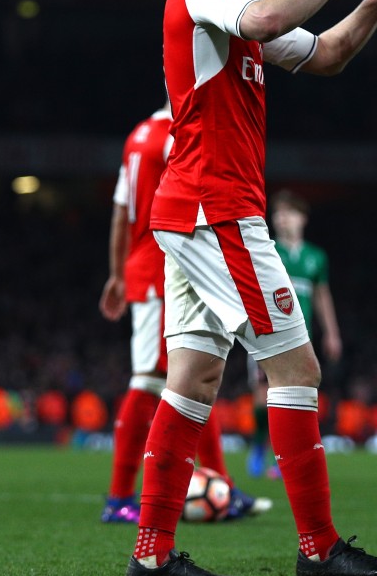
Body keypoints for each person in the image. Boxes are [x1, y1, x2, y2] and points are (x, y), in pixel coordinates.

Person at [127, 0, 377, 576]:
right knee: (298, 368)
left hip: (191, 211)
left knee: (192, 377)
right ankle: (318, 548)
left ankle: (152, 551)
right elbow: (271, 16)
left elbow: (328, 53)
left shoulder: (230, 3)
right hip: (214, 209)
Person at [98, 102, 271, 524]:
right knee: (154, 380)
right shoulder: (179, 134)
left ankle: (221, 485)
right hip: (166, 266)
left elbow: (122, 212)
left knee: (191, 376)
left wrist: (118, 274)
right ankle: (119, 497)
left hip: (146, 267)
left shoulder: (138, 135)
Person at [246, 189, 343, 480]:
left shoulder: (316, 258)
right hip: (267, 333)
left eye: (289, 213)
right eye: (278, 213)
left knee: (295, 398)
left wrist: (332, 334)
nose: (282, 219)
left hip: (303, 336)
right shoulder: (268, 250)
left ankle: (283, 457)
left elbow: (322, 296)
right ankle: (259, 444)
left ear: (302, 218)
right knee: (261, 400)